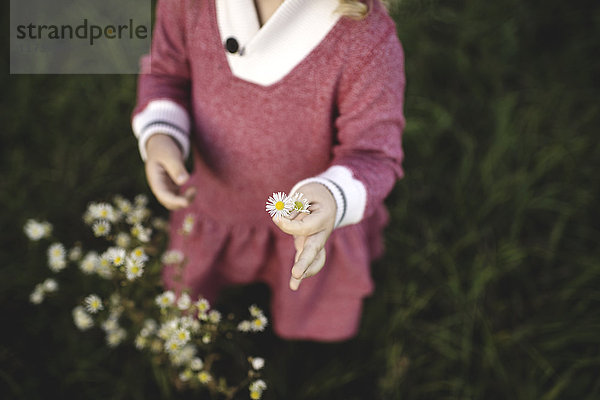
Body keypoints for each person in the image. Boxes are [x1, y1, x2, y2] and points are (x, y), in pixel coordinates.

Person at [131, 0, 405, 341]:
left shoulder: (364, 37)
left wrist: (332, 196)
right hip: (213, 200)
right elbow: (166, 72)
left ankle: (305, 351)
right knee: (189, 302)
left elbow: (373, 154)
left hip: (307, 220)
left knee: (305, 308)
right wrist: (161, 134)